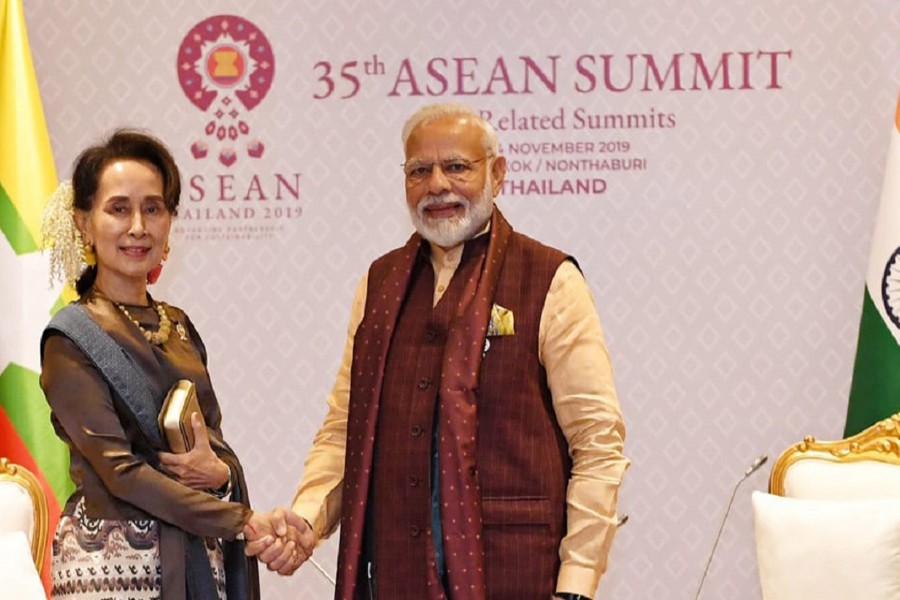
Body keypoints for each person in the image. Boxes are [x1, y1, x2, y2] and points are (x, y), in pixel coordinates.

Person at [253, 103, 629, 599]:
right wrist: (308, 517)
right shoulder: (380, 284)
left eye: (456, 167)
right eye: (419, 171)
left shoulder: (549, 279)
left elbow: (598, 441)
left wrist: (577, 581)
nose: (437, 185)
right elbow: (346, 428)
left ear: (497, 173)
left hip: (517, 575)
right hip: (396, 573)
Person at [39, 129, 308, 600]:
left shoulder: (178, 326)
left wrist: (222, 476)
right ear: (84, 222)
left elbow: (214, 446)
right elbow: (119, 471)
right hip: (112, 567)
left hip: (197, 558)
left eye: (154, 208)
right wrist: (242, 520)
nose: (138, 226)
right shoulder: (71, 338)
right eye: (118, 209)